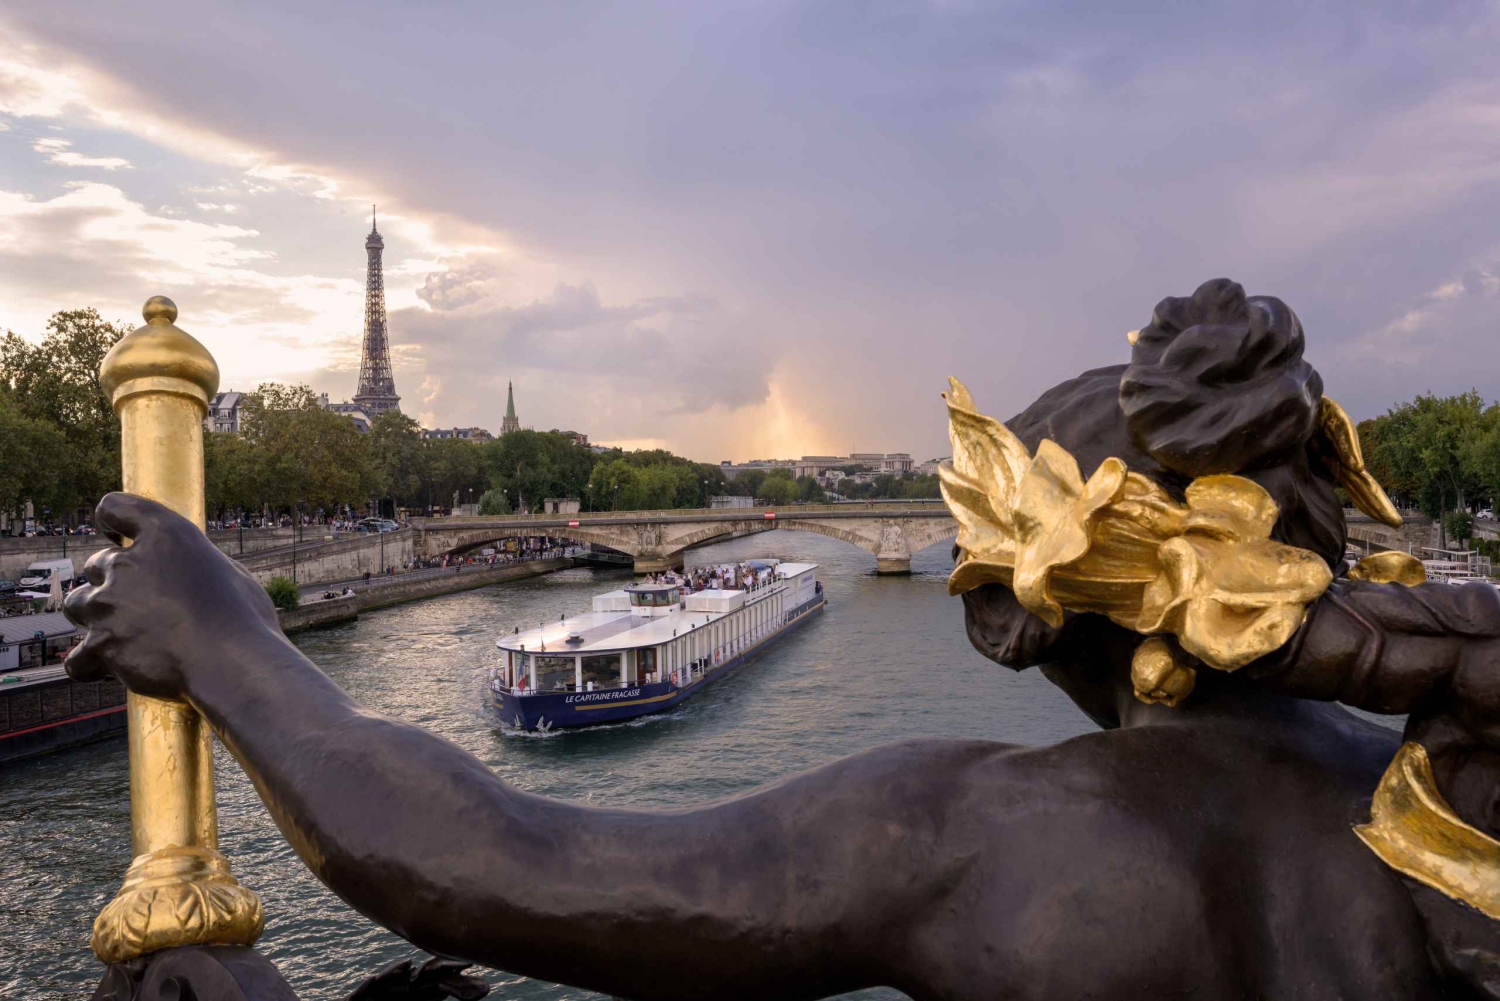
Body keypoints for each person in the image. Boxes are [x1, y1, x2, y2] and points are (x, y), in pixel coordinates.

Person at [63, 280, 1498, 1000]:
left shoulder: (996, 830)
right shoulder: (1442, 798)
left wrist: (229, 638)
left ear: (1068, 592)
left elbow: (494, 868)